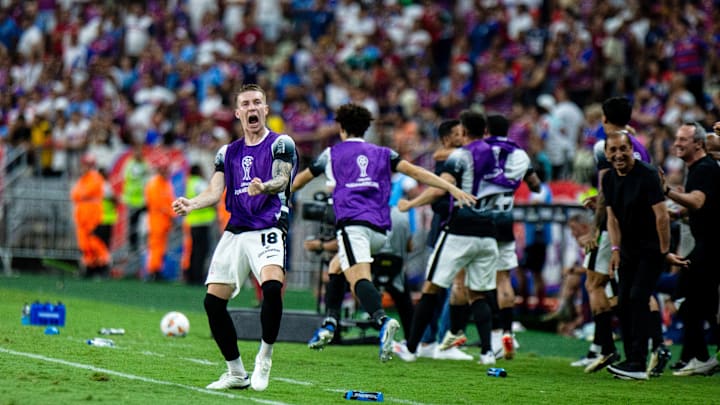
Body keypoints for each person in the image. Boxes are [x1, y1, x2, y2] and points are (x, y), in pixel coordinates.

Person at [291, 103, 475, 362]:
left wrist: (279, 196)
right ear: (365, 129)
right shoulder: (384, 152)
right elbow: (417, 171)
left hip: (353, 226)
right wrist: (451, 187)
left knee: (358, 280)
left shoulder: (332, 153)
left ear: (341, 128)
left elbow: (301, 179)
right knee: (336, 266)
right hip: (380, 230)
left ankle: (382, 320)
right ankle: (330, 323)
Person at [172, 84, 297, 391]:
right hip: (236, 230)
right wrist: (191, 203)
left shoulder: (281, 143)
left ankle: (264, 357)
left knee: (271, 287)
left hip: (268, 226)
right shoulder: (227, 152)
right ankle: (236, 372)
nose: (252, 108)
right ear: (238, 112)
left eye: (258, 102)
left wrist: (264, 186)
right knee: (213, 303)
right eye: (246, 104)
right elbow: (215, 191)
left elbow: (283, 179)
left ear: (265, 110)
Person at [393, 110, 499, 365]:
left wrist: (412, 204)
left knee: (435, 287)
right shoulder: (496, 156)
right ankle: (486, 352)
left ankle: (415, 346)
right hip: (488, 230)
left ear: (463, 132)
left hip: (459, 229)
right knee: (476, 292)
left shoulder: (460, 156)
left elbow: (440, 188)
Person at [602, 131, 688, 380]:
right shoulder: (608, 179)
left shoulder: (648, 174)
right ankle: (631, 360)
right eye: (613, 150)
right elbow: (612, 218)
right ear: (607, 153)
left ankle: (639, 362)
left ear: (632, 149)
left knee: (639, 297)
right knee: (624, 302)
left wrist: (663, 253)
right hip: (627, 250)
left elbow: (661, 217)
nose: (618, 154)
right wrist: (615, 250)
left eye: (622, 149)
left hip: (651, 249)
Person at [663, 122, 720, 376]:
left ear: (698, 143)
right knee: (704, 303)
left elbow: (698, 201)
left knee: (689, 298)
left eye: (683, 139)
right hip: (706, 242)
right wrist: (676, 213)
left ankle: (700, 356)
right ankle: (700, 356)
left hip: (711, 243)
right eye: (677, 138)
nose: (677, 143)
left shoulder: (703, 168)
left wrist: (666, 191)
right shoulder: (700, 168)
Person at [70, 153, 110, 278]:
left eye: (86, 164)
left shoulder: (95, 177)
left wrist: (80, 194)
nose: (84, 167)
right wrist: (80, 194)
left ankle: (103, 265)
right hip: (81, 216)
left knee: (95, 241)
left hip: (92, 215)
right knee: (84, 243)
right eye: (83, 164)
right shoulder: (83, 179)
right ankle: (90, 267)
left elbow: (84, 193)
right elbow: (74, 195)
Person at [184, 164, 218, 285]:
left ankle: (191, 275)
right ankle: (198, 277)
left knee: (194, 250)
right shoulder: (199, 183)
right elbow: (210, 197)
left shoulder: (189, 183)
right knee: (201, 251)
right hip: (203, 222)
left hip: (193, 221)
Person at [144, 157, 176, 281]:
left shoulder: (165, 184)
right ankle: (153, 270)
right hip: (157, 219)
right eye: (163, 169)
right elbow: (158, 204)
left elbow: (169, 201)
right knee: (156, 246)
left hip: (164, 220)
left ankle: (157, 269)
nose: (165, 171)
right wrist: (172, 214)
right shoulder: (154, 184)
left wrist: (171, 214)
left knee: (161, 247)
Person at [122, 144, 150, 261]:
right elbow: (133, 175)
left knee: (144, 227)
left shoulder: (145, 164)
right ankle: (133, 248)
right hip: (133, 201)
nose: (139, 154)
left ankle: (142, 246)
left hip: (143, 201)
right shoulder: (130, 164)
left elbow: (148, 178)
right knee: (132, 227)